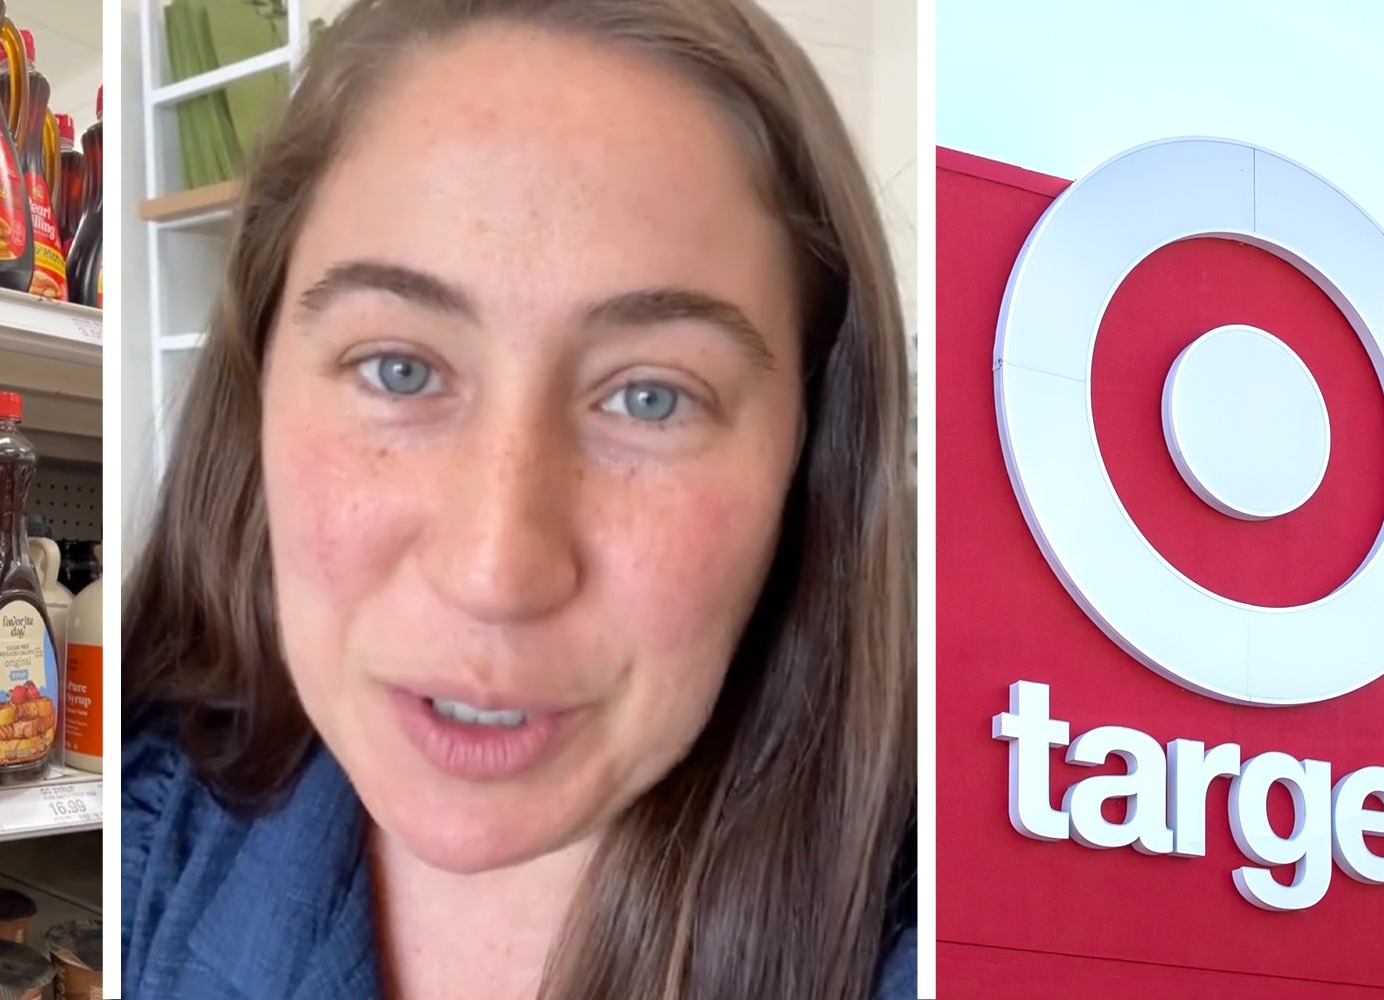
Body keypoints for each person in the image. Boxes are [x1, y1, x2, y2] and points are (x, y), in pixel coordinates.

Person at [120, 0, 916, 996]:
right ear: (258, 389)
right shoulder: (139, 829)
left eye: (649, 396)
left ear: (808, 460)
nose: (494, 570)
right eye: (400, 371)